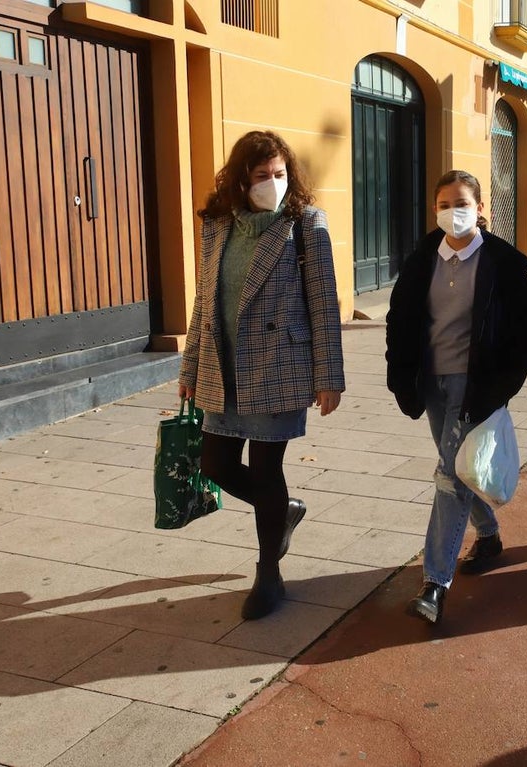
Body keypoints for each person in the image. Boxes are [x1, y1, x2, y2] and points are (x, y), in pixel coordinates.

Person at [178, 130, 345, 620]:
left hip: (279, 364)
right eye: (261, 175)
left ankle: (268, 572)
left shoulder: (305, 224)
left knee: (268, 471)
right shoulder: (217, 226)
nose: (273, 183)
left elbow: (323, 303)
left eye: (280, 173)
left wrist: (328, 375)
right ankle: (283, 510)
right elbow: (203, 302)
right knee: (215, 464)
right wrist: (190, 367)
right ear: (240, 180)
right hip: (224, 367)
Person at [385, 170, 527, 624]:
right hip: (432, 382)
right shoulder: (421, 260)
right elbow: (400, 320)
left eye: (462, 203)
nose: (453, 212)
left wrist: (499, 390)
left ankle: (435, 582)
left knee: (450, 476)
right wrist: (401, 377)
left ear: (480, 208)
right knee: (458, 467)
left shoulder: (503, 265)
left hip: (477, 386)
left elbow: (525, 336)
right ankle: (488, 535)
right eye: (444, 204)